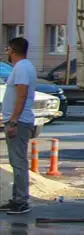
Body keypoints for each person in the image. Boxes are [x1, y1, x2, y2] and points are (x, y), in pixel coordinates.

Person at [2, 37, 38, 215]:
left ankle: (22, 201)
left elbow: (21, 96)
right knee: (17, 162)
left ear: (12, 50)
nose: (6, 52)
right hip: (18, 120)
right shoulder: (23, 67)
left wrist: (14, 121)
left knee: (19, 162)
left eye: (7, 49)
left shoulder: (22, 68)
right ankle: (17, 198)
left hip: (20, 122)